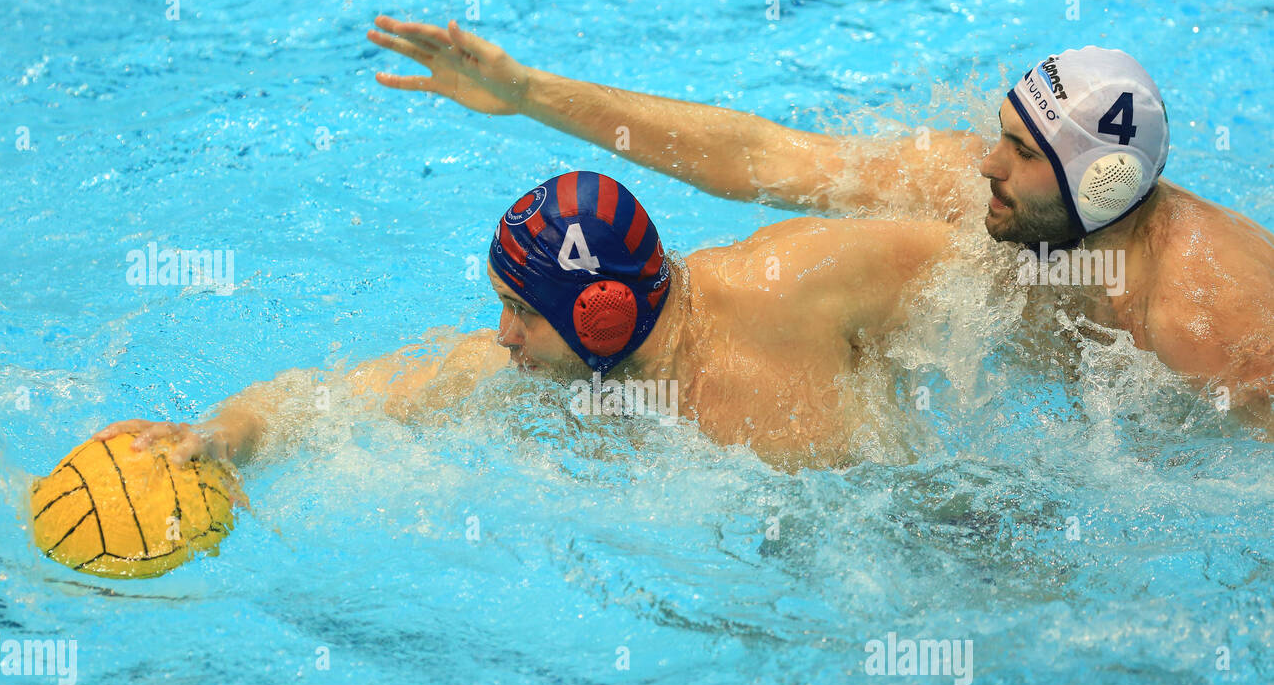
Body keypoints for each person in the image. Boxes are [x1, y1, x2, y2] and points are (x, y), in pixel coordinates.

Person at [367, 20, 1274, 426]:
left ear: (1102, 189)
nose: (987, 166)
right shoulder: (972, 191)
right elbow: (765, 158)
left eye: (1023, 156)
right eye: (999, 135)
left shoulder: (1210, 322)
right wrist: (528, 94)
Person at [95, 172, 955, 471]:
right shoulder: (547, 383)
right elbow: (340, 400)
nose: (502, 337)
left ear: (603, 312)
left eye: (519, 313)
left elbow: (991, 264)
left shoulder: (795, 284)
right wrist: (229, 431)